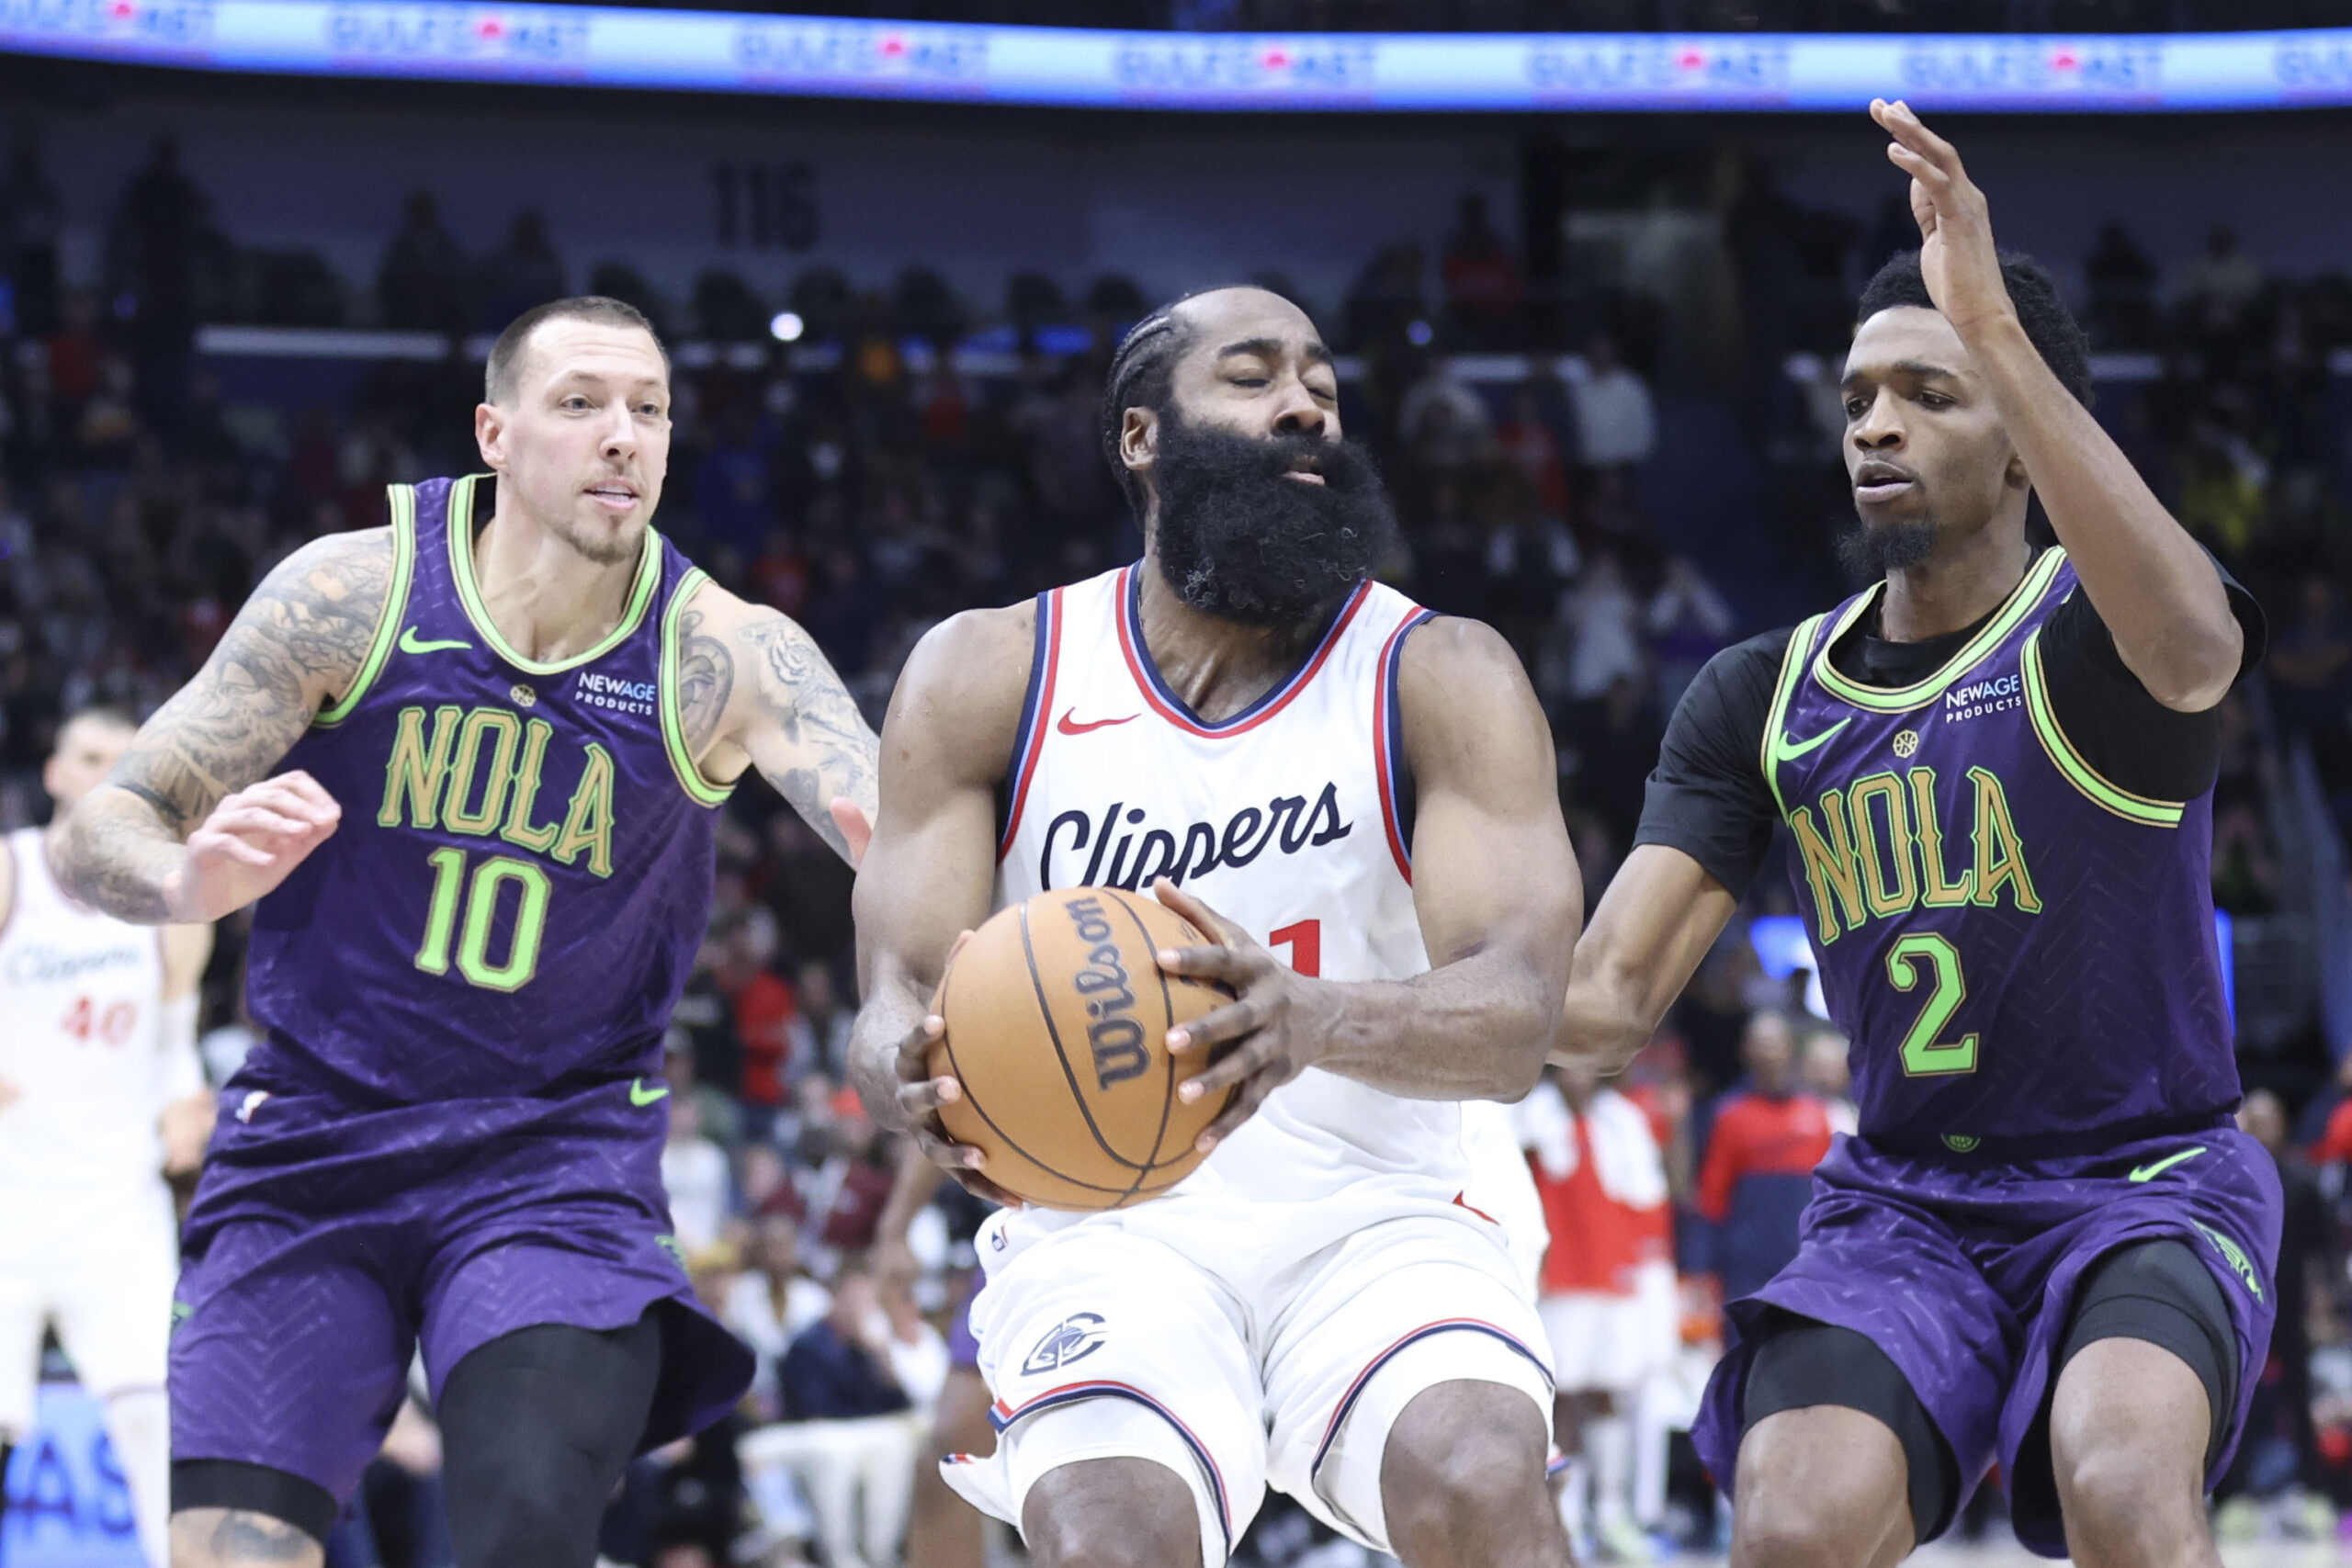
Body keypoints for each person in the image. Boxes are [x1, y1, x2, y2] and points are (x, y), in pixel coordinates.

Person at [1554, 104, 2278, 1567]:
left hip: (2143, 1175)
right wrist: (1326, 1008)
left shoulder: (2088, 639)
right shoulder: (1764, 694)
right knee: (1792, 1517)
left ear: (2025, 446)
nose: (1875, 424)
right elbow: (1596, 1009)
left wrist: (1994, 327)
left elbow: (2200, 650)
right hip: (1906, 1201)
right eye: (1857, 397)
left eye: (1927, 393)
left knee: (2124, 1482)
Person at [52, 294, 880, 1568]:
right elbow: (100, 826)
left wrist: (934, 919)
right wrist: (185, 883)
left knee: (525, 1528)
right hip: (315, 1139)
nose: (624, 436)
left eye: (649, 409)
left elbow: (910, 838)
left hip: (551, 1161)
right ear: (493, 431)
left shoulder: (726, 651)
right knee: (229, 1548)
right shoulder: (352, 592)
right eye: (582, 403)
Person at [849, 286, 1580, 1568]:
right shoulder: (987, 673)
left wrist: (1310, 1020)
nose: (1305, 402)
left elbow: (1518, 1012)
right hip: (1105, 1225)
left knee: (1482, 1481)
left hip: (1383, 1214)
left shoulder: (1439, 673)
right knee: (1109, 1535)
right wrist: (911, 1070)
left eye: (1322, 384)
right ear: (1142, 436)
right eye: (1252, 376)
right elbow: (891, 994)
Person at [0, 706, 215, 1568]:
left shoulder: (174, 900)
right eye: (87, 755)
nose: (100, 772)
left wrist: (184, 1102)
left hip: (115, 1207)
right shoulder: (14, 870)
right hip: (9, 1198)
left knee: (163, 1436)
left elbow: (173, 1044)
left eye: (120, 760)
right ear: (54, 772)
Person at [1520, 1061, 1674, 1563]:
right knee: (1562, 1400)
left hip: (1615, 1275)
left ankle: (1611, 1513)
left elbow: (1651, 1194)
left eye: (1586, 1069)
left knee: (1610, 1393)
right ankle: (1567, 1519)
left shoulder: (1622, 1121)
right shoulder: (1528, 1120)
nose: (1577, 1078)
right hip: (1558, 1283)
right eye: (1567, 1069)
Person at [1693, 1012, 1836, 1303]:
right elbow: (1713, 1195)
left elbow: (1829, 1194)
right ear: (1746, 1050)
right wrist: (1700, 1265)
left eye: (1774, 1043)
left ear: (1789, 1049)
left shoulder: (1815, 1114)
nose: (1768, 1053)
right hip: (1744, 1265)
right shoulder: (1730, 1115)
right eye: (1760, 1043)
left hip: (1802, 1260)